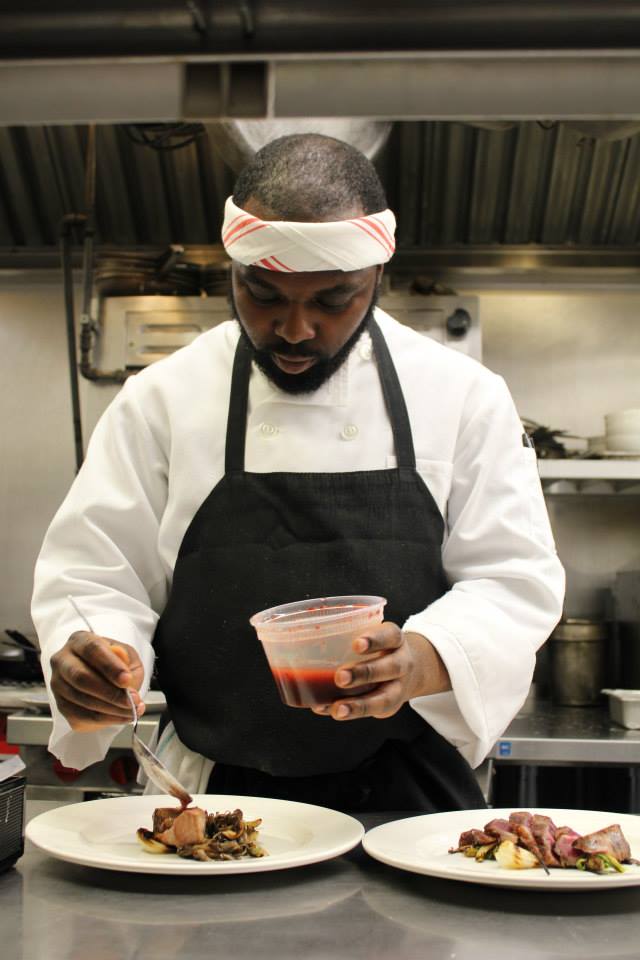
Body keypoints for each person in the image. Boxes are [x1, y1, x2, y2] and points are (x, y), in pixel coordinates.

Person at [32, 133, 564, 812]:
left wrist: (425, 657)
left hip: (409, 795)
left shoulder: (461, 395)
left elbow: (513, 580)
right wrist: (100, 656)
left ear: (378, 278)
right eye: (262, 294)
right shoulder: (164, 398)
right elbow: (96, 573)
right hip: (214, 795)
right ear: (233, 272)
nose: (293, 328)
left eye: (332, 301)